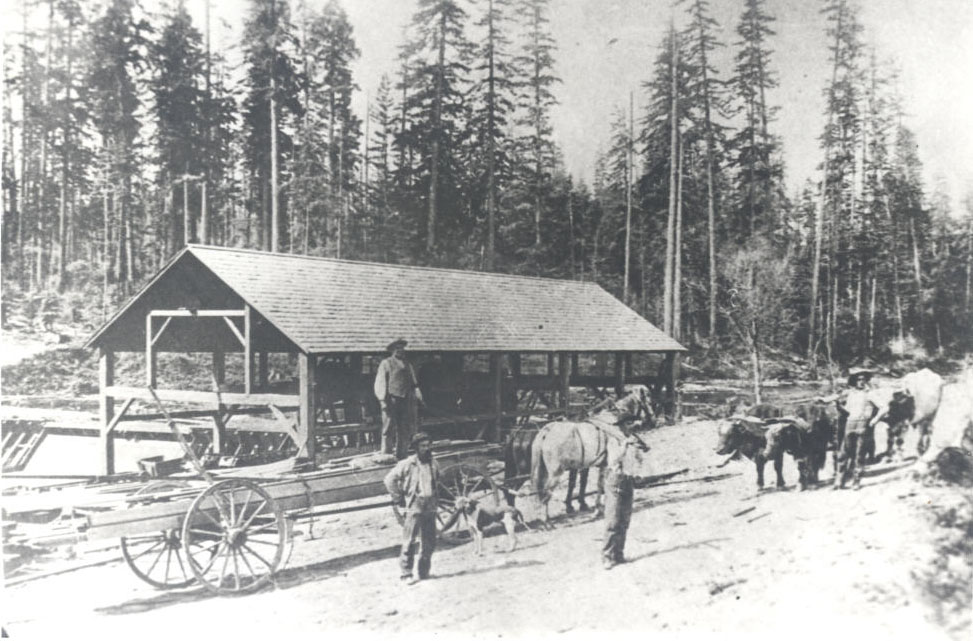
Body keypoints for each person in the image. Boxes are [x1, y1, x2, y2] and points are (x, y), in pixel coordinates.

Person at [384, 431, 439, 583]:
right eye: (422, 446)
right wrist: (399, 498)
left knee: (429, 541)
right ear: (416, 448)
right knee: (409, 540)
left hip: (430, 504)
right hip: (415, 504)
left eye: (428, 446)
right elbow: (389, 480)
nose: (426, 449)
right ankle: (406, 574)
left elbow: (437, 481)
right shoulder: (407, 464)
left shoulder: (433, 463)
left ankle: (423, 572)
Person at [374, 338, 425, 459]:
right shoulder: (386, 363)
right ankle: (386, 454)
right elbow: (380, 382)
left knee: (404, 428)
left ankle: (402, 453)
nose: (400, 351)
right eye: (397, 348)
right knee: (388, 428)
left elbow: (414, 383)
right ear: (392, 350)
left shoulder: (407, 364)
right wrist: (382, 400)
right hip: (391, 400)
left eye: (402, 348)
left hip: (406, 400)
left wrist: (419, 397)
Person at [602, 434, 640, 570]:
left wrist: (637, 470)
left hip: (628, 481)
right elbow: (613, 460)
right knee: (613, 520)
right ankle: (607, 555)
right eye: (627, 424)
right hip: (615, 479)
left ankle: (618, 554)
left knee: (624, 520)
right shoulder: (614, 441)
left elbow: (638, 460)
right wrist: (624, 445)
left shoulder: (633, 441)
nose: (630, 427)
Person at [833, 368, 874, 490]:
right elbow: (848, 411)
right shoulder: (851, 394)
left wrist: (874, 420)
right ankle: (839, 481)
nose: (861, 382)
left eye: (863, 379)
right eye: (858, 379)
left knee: (859, 454)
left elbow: (884, 407)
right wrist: (838, 406)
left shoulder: (870, 394)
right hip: (850, 424)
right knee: (843, 453)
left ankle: (856, 481)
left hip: (862, 426)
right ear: (854, 381)